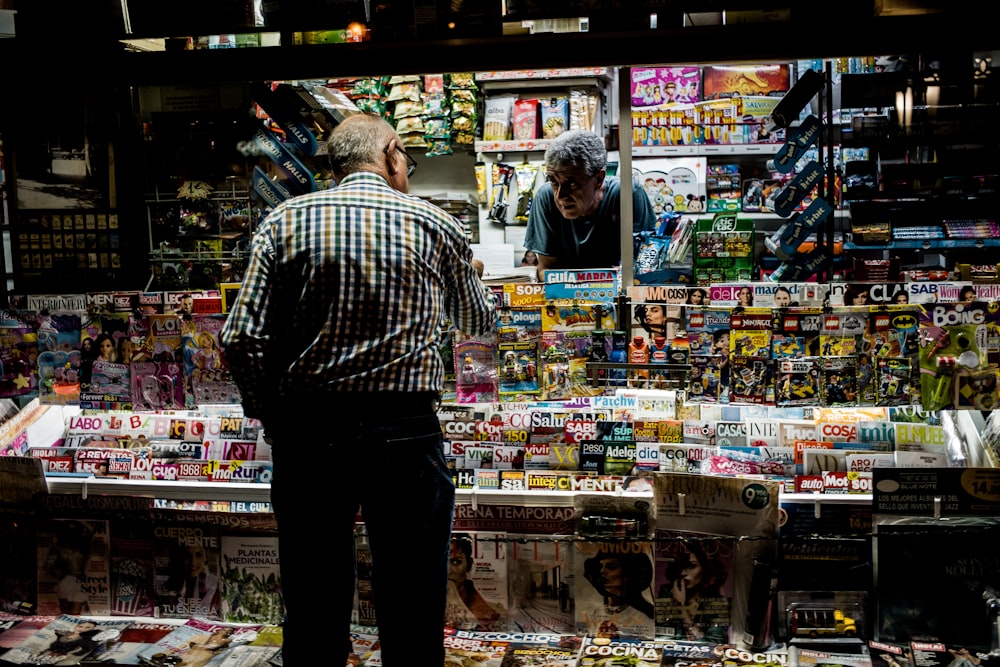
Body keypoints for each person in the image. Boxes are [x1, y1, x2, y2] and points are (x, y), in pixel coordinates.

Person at [220, 113, 496, 667]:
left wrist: (272, 414)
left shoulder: (284, 221)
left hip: (309, 432)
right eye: (407, 164)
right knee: (414, 601)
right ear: (392, 153)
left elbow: (241, 337)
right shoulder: (435, 223)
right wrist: (466, 273)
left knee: (314, 602)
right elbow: (477, 318)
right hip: (406, 432)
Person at [523, 130, 656, 277]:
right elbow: (547, 269)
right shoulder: (546, 198)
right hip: (565, 295)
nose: (560, 195)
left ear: (599, 179)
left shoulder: (626, 193)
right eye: (553, 181)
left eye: (571, 184)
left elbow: (644, 265)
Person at [658, 541, 729, 642]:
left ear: (705, 568)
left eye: (691, 566)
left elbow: (713, 643)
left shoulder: (719, 602)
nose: (683, 573)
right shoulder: (667, 592)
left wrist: (681, 608)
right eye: (680, 566)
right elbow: (663, 638)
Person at [579, 547, 655, 637]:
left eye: (611, 567)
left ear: (629, 574)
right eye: (601, 566)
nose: (602, 571)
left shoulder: (645, 616)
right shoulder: (598, 611)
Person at [445, 535, 502, 630]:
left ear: (469, 564)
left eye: (455, 562)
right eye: (440, 562)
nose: (448, 571)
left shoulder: (495, 611)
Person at [166, 543, 220, 617]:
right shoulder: (174, 581)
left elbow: (205, 614)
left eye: (199, 555)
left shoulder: (213, 582)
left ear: (206, 556)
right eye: (188, 556)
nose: (193, 562)